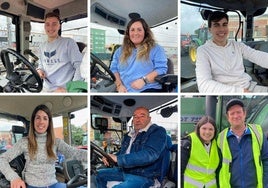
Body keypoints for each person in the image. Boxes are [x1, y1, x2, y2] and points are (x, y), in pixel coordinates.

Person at [0, 104, 87, 188]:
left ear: (49, 122)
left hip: (54, 185)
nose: (41, 121)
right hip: (32, 186)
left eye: (45, 118)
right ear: (33, 121)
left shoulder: (56, 142)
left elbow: (74, 152)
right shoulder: (24, 142)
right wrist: (14, 177)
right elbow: (2, 159)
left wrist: (89, 154)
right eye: (38, 118)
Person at [196, 11, 268, 93]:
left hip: (250, 87)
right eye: (216, 25)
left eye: (224, 24)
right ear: (209, 29)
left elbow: (258, 56)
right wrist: (239, 91)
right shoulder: (203, 51)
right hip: (227, 93)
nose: (221, 29)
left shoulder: (237, 46)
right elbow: (204, 85)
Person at [95, 106, 169, 187]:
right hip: (125, 170)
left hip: (145, 175)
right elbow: (123, 152)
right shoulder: (128, 135)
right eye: (135, 116)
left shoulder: (157, 131)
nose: (138, 119)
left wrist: (118, 159)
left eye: (142, 116)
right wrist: (110, 157)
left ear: (149, 118)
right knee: (98, 174)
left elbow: (150, 154)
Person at [217, 98, 268, 187]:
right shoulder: (221, 138)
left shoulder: (258, 133)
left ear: (244, 114)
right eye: (232, 113)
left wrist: (265, 184)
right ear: (228, 117)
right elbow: (217, 167)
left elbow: (266, 160)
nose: (236, 116)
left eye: (238, 112)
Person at [110, 18, 168, 92]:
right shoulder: (119, 51)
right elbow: (113, 70)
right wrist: (119, 85)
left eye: (139, 30)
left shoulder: (156, 49)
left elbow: (161, 69)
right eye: (132, 30)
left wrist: (144, 80)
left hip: (148, 89)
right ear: (128, 33)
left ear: (145, 32)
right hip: (125, 90)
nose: (136, 33)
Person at [37, 12, 83, 92]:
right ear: (44, 27)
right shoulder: (42, 46)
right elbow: (41, 64)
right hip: (45, 88)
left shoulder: (68, 43)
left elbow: (80, 67)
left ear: (59, 26)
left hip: (63, 90)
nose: (50, 28)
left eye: (54, 24)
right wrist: (39, 70)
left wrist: (71, 89)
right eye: (47, 24)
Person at [181, 115, 220, 188]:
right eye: (204, 128)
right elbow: (180, 170)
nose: (207, 132)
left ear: (215, 131)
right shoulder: (188, 143)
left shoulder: (217, 144)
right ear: (198, 129)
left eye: (211, 129)